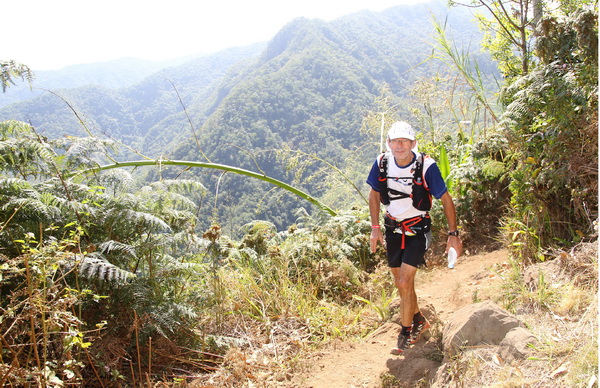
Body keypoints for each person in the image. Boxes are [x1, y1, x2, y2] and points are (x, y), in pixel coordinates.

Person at [366, 121, 462, 355]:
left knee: (403, 283)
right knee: (402, 284)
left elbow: (445, 198)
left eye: (404, 141)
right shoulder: (382, 163)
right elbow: (374, 194)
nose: (399, 146)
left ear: (413, 143)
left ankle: (406, 333)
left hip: (417, 229)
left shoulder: (426, 166)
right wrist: (375, 228)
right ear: (388, 143)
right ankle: (419, 320)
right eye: (395, 141)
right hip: (392, 229)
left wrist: (453, 234)